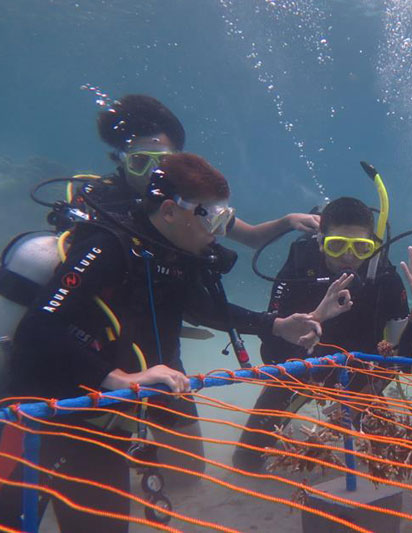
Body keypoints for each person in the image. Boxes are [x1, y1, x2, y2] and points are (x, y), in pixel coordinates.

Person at [0, 153, 331, 531]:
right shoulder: (107, 247)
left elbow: (201, 307)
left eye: (226, 218)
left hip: (106, 424)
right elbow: (40, 326)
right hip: (41, 414)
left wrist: (275, 325)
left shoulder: (171, 254)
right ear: (171, 211)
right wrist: (118, 378)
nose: (219, 231)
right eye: (212, 218)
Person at [233, 196, 412, 471]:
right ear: (320, 241)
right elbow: (273, 354)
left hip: (361, 378)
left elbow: (406, 363)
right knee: (246, 461)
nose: (349, 257)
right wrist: (314, 320)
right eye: (337, 246)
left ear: (372, 245)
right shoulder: (299, 269)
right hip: (301, 372)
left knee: (387, 462)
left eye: (361, 248)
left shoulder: (384, 278)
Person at [72, 93, 319, 246]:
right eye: (139, 162)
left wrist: (288, 221)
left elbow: (252, 237)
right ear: (121, 161)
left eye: (161, 163)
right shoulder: (99, 203)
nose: (150, 174)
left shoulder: (192, 204)